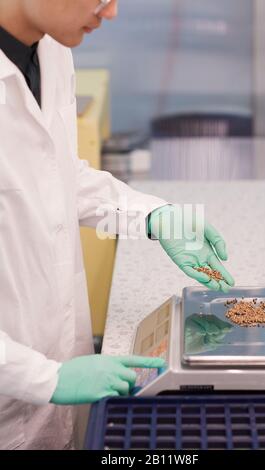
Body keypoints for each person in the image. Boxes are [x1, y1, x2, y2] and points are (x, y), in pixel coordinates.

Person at [0, 0, 234, 449]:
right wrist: (44, 378)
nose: (111, 13)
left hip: (62, 385)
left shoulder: (52, 52)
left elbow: (55, 178)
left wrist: (154, 215)